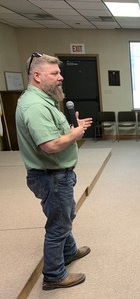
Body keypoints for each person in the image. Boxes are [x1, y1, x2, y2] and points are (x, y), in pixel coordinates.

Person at [15, 53, 93, 290]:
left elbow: (53, 134)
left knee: (65, 217)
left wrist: (70, 129)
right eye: (55, 73)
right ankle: (54, 275)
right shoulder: (36, 106)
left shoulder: (42, 100)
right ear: (37, 76)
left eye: (59, 73)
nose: (61, 77)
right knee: (58, 225)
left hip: (57, 174)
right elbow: (49, 146)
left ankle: (69, 251)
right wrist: (74, 135)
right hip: (51, 175)